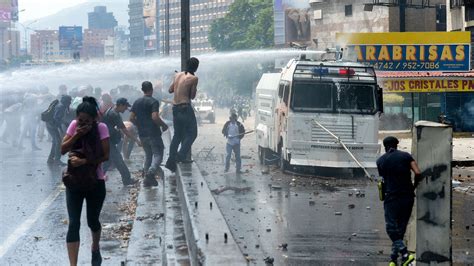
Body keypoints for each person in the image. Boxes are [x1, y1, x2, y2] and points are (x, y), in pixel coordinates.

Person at [60, 96, 110, 266]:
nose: (82, 123)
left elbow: (105, 155)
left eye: (87, 121)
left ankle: (95, 248)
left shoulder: (102, 128)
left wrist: (85, 161)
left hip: (95, 181)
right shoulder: (74, 126)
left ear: (94, 119)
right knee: (73, 223)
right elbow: (62, 149)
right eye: (80, 119)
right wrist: (76, 136)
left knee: (92, 221)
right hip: (74, 181)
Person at [376, 136, 423, 266]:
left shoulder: (380, 161)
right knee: (401, 229)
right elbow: (418, 173)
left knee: (392, 228)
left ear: (385, 146)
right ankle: (393, 259)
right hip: (407, 197)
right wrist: (413, 186)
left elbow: (384, 178)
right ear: (397, 145)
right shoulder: (406, 156)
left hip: (392, 198)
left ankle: (405, 254)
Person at [130, 81, 168, 187]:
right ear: (152, 90)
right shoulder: (153, 101)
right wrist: (163, 125)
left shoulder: (136, 102)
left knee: (148, 155)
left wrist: (140, 125)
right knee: (158, 154)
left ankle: (147, 180)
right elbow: (155, 117)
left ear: (142, 90)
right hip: (153, 133)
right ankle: (150, 173)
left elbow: (131, 118)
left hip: (142, 135)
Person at [165, 57, 199, 172]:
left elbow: (170, 90)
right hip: (185, 108)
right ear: (196, 67)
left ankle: (171, 160)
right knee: (192, 133)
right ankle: (180, 156)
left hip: (175, 108)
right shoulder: (194, 78)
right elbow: (192, 96)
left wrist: (177, 82)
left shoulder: (177, 75)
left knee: (177, 135)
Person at [101, 98, 141, 186]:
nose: (126, 109)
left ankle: (96, 179)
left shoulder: (110, 110)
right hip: (106, 140)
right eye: (125, 107)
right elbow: (125, 130)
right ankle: (127, 179)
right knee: (118, 160)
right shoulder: (115, 114)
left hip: (104, 139)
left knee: (107, 162)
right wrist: (137, 140)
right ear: (120, 105)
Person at [46, 95, 72, 164]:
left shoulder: (60, 105)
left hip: (50, 124)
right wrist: (61, 127)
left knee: (55, 142)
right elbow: (56, 118)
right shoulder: (61, 107)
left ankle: (50, 159)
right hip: (52, 125)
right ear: (66, 101)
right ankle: (57, 159)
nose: (70, 103)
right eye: (69, 101)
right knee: (58, 142)